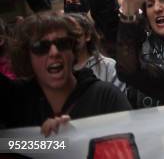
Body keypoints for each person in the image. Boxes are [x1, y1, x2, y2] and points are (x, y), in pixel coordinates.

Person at [1, 13, 130, 134]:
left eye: (62, 43)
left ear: (73, 51)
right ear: (27, 56)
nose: (54, 52)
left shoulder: (105, 97)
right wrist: (48, 146)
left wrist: (77, 141)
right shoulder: (14, 99)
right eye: (41, 46)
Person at [66, 13, 125, 92]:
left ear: (87, 36)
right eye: (68, 35)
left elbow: (118, 100)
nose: (72, 39)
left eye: (76, 34)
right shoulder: (63, 67)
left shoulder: (108, 66)